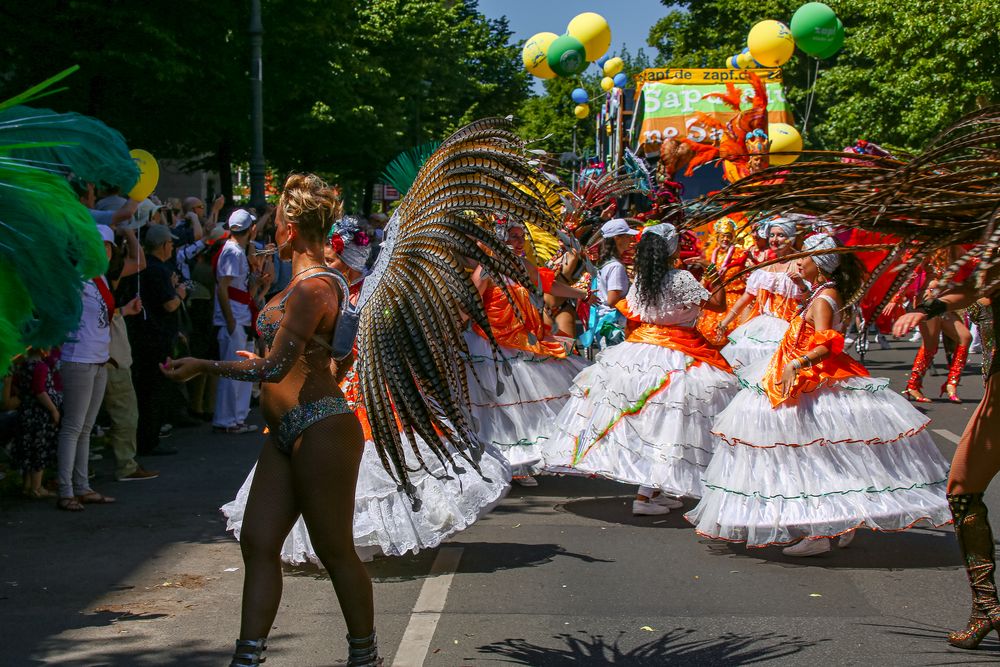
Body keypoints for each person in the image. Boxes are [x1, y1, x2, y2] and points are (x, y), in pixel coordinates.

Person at [163, 174, 381, 666]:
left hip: (321, 427)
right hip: (287, 429)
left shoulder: (314, 288)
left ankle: (365, 658)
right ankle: (248, 657)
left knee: (334, 549)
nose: (270, 234)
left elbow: (276, 368)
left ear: (289, 231)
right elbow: (327, 357)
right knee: (259, 541)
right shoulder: (321, 283)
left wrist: (205, 365)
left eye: (276, 224)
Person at [687, 235, 951, 556]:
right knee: (821, 457)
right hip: (801, 378)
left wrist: (794, 365)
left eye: (806, 257)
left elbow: (828, 344)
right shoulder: (816, 293)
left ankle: (819, 532)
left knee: (808, 456)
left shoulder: (824, 298)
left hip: (814, 381)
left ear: (820, 264)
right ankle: (839, 523)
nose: (798, 261)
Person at [542, 223, 736, 515]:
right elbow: (718, 306)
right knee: (668, 425)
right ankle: (645, 497)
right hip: (678, 354)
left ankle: (654, 491)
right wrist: (713, 273)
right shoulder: (681, 278)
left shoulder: (644, 280)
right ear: (672, 249)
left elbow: (631, 308)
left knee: (651, 422)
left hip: (639, 352)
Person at [465, 220, 592, 486]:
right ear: (499, 239)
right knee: (500, 407)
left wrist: (580, 293)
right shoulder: (486, 268)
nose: (519, 242)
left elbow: (549, 285)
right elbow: (470, 302)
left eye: (521, 237)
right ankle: (503, 462)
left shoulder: (521, 266)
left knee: (522, 406)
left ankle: (519, 461)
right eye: (513, 237)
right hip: (490, 345)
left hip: (523, 341)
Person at [56, 225, 142, 511]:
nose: (105, 251)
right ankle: (66, 490)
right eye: (101, 246)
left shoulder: (99, 278)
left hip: (99, 358)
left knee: (86, 427)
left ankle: (82, 486)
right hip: (78, 357)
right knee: (73, 426)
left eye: (108, 247)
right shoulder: (73, 279)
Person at [715, 216, 806, 370]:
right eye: (772, 235)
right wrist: (725, 322)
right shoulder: (764, 270)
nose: (775, 239)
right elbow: (745, 298)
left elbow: (811, 298)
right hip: (763, 327)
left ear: (790, 238)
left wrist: (802, 285)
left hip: (790, 329)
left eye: (780, 235)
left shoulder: (801, 264)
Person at [133, 224, 186, 456]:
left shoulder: (153, 269)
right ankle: (149, 440)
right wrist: (180, 294)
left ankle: (149, 437)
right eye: (170, 243)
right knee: (154, 390)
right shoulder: (156, 270)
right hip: (156, 339)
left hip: (154, 336)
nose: (172, 247)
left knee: (152, 390)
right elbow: (169, 303)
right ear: (163, 245)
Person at [212, 209, 265, 435]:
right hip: (235, 318)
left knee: (243, 370)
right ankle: (227, 419)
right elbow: (223, 287)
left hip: (243, 315)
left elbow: (242, 288)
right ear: (250, 229)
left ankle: (238, 417)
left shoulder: (239, 252)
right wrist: (230, 319)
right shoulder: (232, 252)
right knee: (233, 370)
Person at [902, 248, 974, 403]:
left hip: (944, 302)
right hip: (929, 299)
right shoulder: (932, 246)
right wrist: (895, 299)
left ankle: (951, 384)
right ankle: (913, 385)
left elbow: (972, 264)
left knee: (965, 337)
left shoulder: (957, 249)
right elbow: (911, 271)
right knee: (930, 345)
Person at [11, 348, 62, 498]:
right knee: (39, 451)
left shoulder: (22, 366)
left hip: (26, 413)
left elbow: (16, 386)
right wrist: (53, 410)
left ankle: (27, 486)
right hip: (39, 416)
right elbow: (40, 391)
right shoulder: (41, 367)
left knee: (28, 450)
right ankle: (37, 488)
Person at [693, 216, 751, 345]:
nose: (725, 239)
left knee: (734, 337)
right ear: (717, 237)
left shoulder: (740, 254)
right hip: (716, 298)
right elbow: (706, 277)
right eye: (723, 236)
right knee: (709, 335)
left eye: (729, 236)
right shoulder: (711, 255)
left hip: (735, 300)